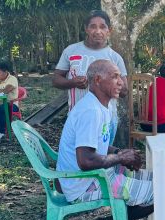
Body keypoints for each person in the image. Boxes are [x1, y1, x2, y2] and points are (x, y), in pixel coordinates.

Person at [56, 60, 154, 220]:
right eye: (115, 76)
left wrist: (120, 152)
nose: (121, 82)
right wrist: (120, 158)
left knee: (158, 180)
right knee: (159, 192)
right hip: (83, 183)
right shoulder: (90, 111)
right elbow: (85, 160)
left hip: (94, 176)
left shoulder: (102, 105)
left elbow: (98, 146)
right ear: (98, 80)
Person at [52, 10, 127, 143]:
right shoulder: (71, 51)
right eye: (93, 26)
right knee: (80, 160)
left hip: (107, 120)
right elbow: (56, 80)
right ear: (86, 29)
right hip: (77, 117)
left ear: (109, 30)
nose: (98, 31)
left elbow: (125, 91)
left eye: (103, 27)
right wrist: (73, 83)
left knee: (101, 157)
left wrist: (107, 85)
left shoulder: (115, 57)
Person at [0, 62, 19, 139]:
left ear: (6, 72)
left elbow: (5, 91)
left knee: (0, 108)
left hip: (11, 105)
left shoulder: (12, 79)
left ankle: (1, 132)